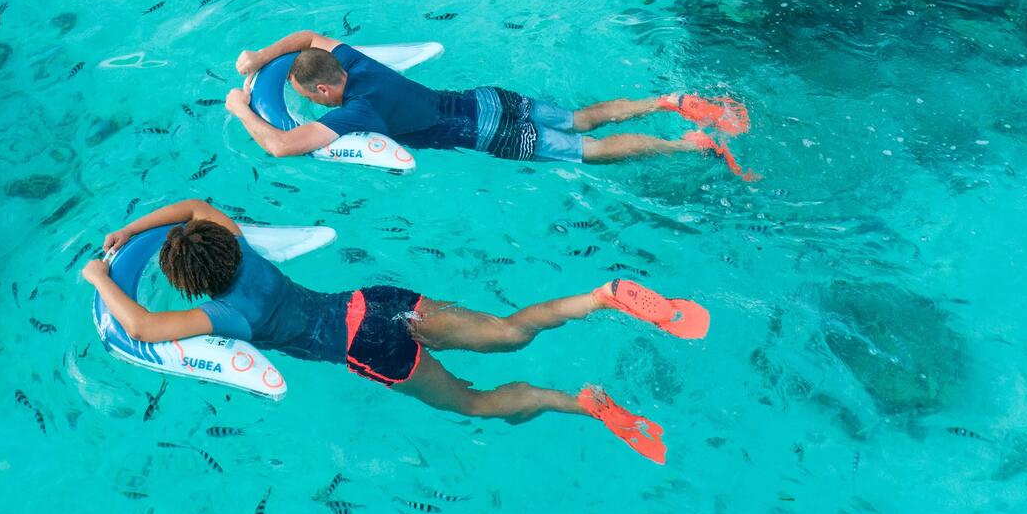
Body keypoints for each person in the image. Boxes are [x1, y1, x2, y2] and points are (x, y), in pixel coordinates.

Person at [81, 199, 710, 463]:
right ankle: (601, 296)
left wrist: (98, 276)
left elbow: (137, 323)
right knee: (509, 332)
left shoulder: (222, 315)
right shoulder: (243, 247)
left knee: (472, 401)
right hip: (377, 302)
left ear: (192, 285)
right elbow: (191, 207)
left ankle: (585, 405)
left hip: (366, 347)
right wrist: (133, 229)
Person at [224, 29, 756, 175]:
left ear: (323, 91)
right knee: (580, 116)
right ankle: (668, 100)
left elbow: (280, 146)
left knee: (588, 150)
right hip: (486, 99)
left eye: (308, 97)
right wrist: (259, 58)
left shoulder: (357, 113)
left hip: (487, 135)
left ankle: (688, 148)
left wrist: (241, 107)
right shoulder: (355, 60)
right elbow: (307, 34)